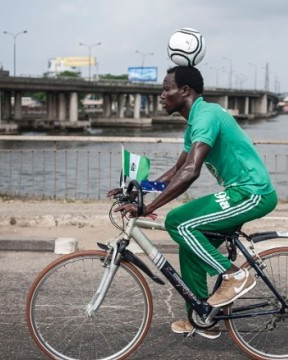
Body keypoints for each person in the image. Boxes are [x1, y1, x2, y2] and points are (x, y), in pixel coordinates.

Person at [112, 65, 277, 339]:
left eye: (166, 89)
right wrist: (139, 189)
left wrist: (148, 208)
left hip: (252, 192)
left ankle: (236, 276)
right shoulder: (195, 123)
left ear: (184, 91)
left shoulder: (207, 116)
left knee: (179, 222)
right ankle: (203, 316)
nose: (161, 95)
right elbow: (177, 170)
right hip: (238, 192)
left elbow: (191, 171)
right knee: (189, 245)